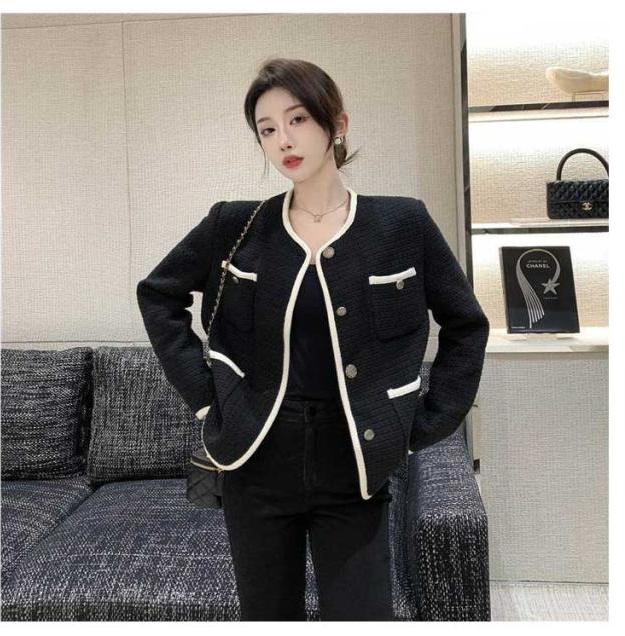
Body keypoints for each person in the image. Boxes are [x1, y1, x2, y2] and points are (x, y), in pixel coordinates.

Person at [137, 57, 490, 621]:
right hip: (256, 460)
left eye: (297, 119)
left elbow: (466, 325)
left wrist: (426, 421)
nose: (283, 140)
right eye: (267, 129)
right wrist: (206, 398)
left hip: (354, 463)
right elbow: (158, 295)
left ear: (337, 124)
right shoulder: (235, 226)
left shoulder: (400, 225)